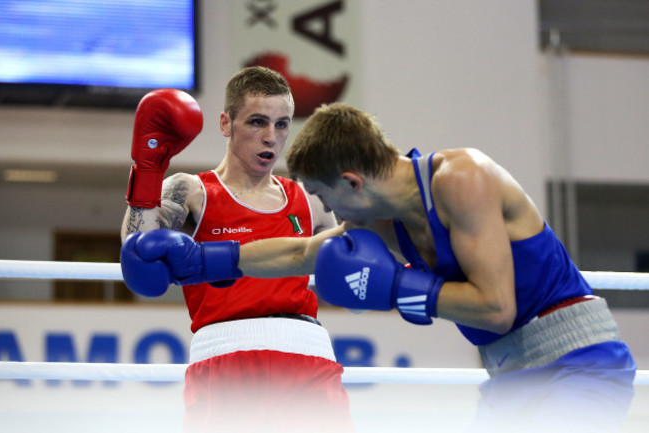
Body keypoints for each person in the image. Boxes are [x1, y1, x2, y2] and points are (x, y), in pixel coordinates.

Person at [122, 102, 637, 432]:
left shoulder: (462, 178)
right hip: (510, 375)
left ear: (352, 182)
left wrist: (396, 290)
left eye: (327, 198)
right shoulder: (386, 216)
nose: (335, 216)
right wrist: (205, 260)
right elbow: (303, 252)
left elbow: (497, 308)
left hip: (577, 360)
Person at [119, 68, 354, 433]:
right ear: (226, 123)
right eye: (257, 122)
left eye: (282, 124)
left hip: (309, 356)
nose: (271, 138)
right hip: (225, 355)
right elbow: (138, 258)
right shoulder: (191, 191)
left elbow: (348, 276)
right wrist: (148, 169)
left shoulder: (311, 199)